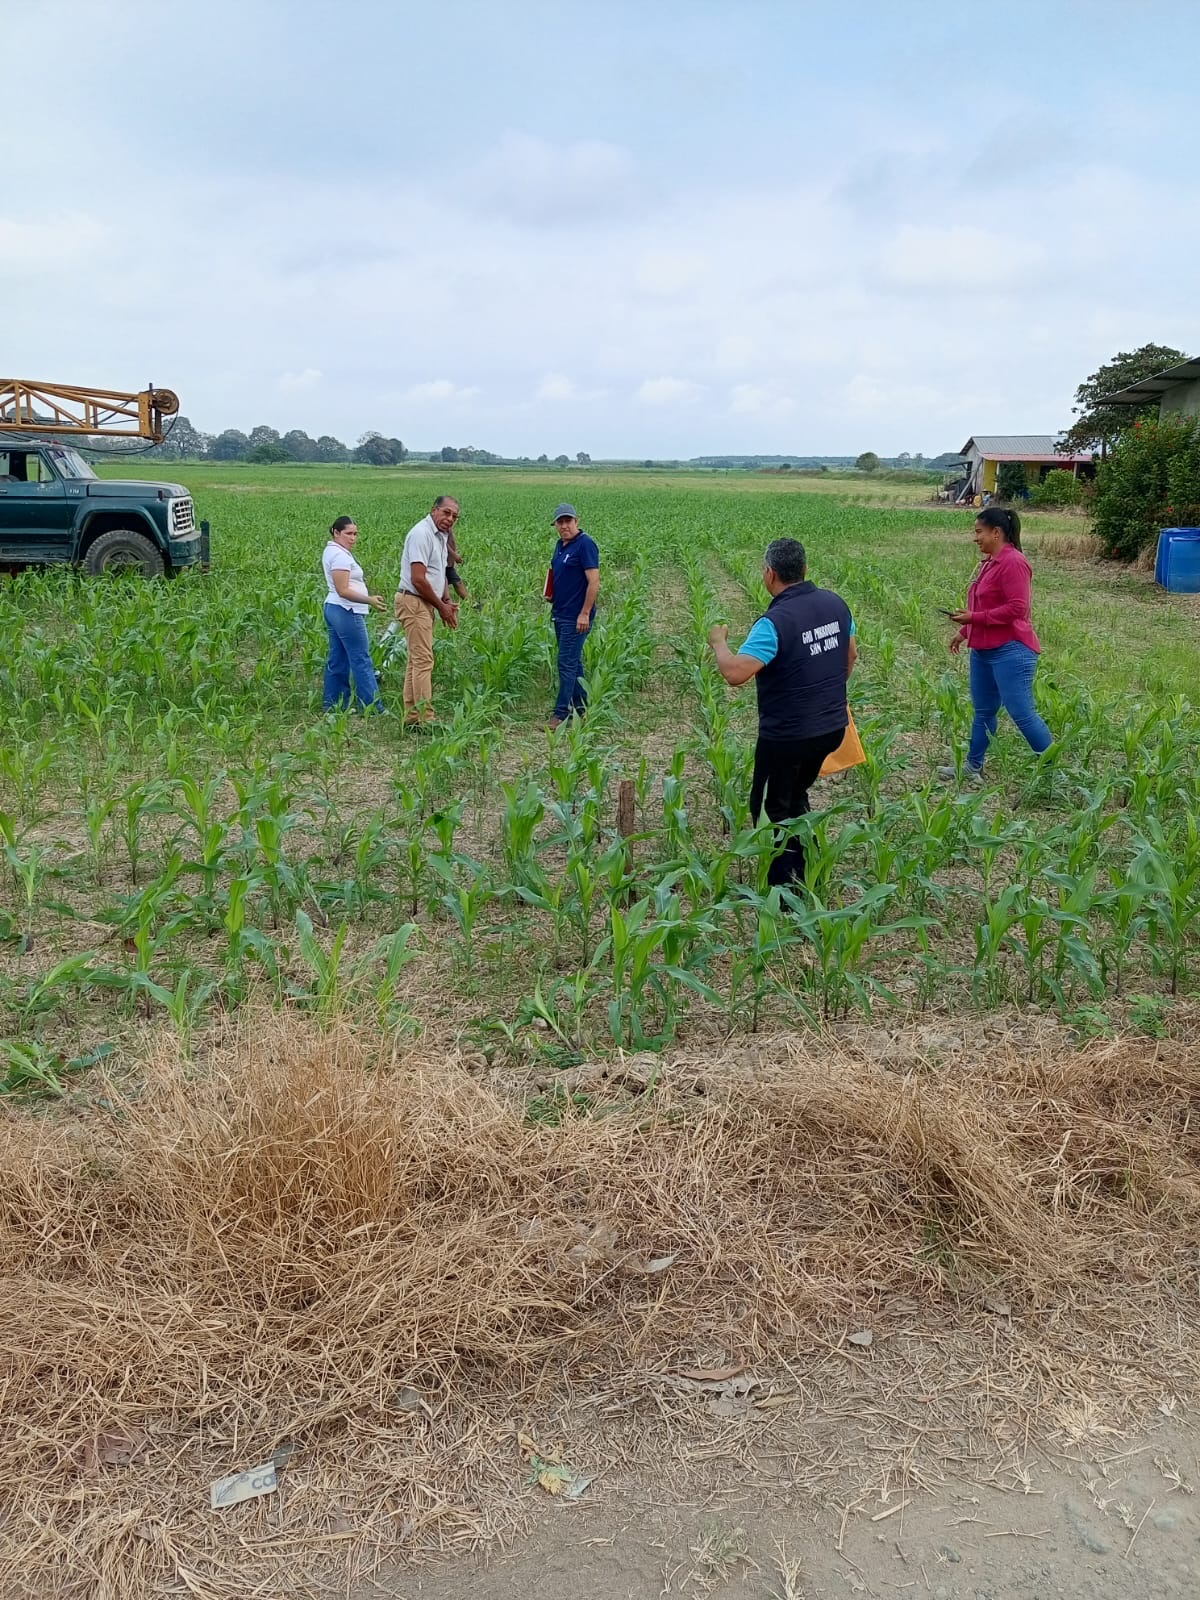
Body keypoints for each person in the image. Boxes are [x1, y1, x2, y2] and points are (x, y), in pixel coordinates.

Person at [707, 537, 857, 888]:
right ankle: (809, 868)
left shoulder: (775, 622)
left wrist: (719, 643)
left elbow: (736, 673)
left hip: (788, 736)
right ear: (805, 569)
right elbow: (850, 656)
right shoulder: (837, 605)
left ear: (769, 574)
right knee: (795, 793)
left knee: (769, 808)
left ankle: (783, 890)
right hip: (832, 727)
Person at [939, 506, 1053, 784]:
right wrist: (965, 630)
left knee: (1022, 713)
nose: (975, 537)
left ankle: (1052, 773)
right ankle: (973, 767)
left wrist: (973, 618)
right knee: (984, 711)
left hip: (1011, 650)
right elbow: (986, 605)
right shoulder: (990, 562)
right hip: (984, 650)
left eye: (979, 532)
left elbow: (1017, 608)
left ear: (996, 532)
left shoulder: (1013, 562)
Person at [396, 495, 460, 726]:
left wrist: (446, 599)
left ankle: (413, 718)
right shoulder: (421, 534)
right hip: (414, 601)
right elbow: (418, 579)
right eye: (446, 512)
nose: (450, 519)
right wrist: (441, 607)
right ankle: (427, 720)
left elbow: (438, 572)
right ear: (434, 510)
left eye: (454, 516)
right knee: (423, 662)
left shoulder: (440, 536)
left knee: (416, 661)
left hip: (424, 602)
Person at [321, 516, 387, 713]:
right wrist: (370, 600)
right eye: (348, 533)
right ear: (336, 532)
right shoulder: (340, 556)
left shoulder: (334, 551)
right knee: (361, 659)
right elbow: (343, 590)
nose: (353, 538)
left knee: (338, 658)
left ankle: (334, 704)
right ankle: (372, 707)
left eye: (355, 534)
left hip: (335, 608)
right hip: (346, 611)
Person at [546, 503, 600, 731]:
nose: (564, 526)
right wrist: (551, 593)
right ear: (556, 525)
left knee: (566, 663)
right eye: (560, 522)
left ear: (577, 521)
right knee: (574, 662)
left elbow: (594, 582)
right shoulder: (560, 545)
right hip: (561, 612)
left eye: (568, 521)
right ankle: (581, 709)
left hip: (576, 617)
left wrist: (585, 613)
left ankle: (561, 713)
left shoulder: (585, 544)